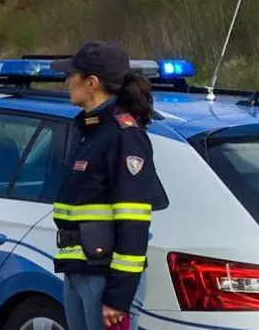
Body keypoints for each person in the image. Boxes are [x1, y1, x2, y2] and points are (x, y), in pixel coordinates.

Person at [50, 41, 170, 330]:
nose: (67, 82)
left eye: (72, 75)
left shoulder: (123, 137)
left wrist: (118, 297)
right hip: (80, 269)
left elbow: (133, 222)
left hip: (103, 277)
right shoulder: (91, 130)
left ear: (91, 83)